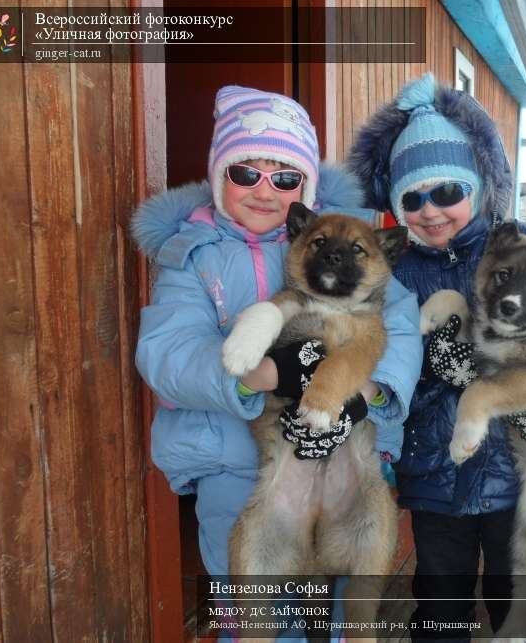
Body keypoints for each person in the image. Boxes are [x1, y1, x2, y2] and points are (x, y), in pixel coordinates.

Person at [348, 73, 526, 640]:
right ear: (395, 203)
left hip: (516, 472)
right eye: (413, 198)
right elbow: (367, 339)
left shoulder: (517, 243)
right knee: (439, 596)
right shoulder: (396, 267)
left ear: (477, 187)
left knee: (524, 595)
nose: (431, 210)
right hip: (434, 467)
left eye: (448, 193)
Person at [131, 85, 422, 600]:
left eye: (285, 177)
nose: (265, 191)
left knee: (340, 602)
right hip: (231, 462)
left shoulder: (340, 235)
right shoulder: (191, 255)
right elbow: (167, 353)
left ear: (305, 187)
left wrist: (365, 394)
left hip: (343, 447)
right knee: (251, 604)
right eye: (246, 173)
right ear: (219, 177)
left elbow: (396, 327)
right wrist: (267, 375)